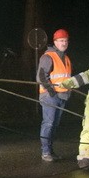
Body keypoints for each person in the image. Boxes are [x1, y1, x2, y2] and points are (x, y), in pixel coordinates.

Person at [37, 29, 72, 162]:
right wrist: (52, 92)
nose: (64, 43)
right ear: (55, 42)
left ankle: (50, 151)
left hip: (62, 97)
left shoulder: (67, 58)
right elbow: (41, 76)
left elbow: (66, 78)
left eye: (66, 40)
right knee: (49, 123)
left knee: (54, 124)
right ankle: (45, 152)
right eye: (61, 41)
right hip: (50, 96)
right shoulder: (48, 56)